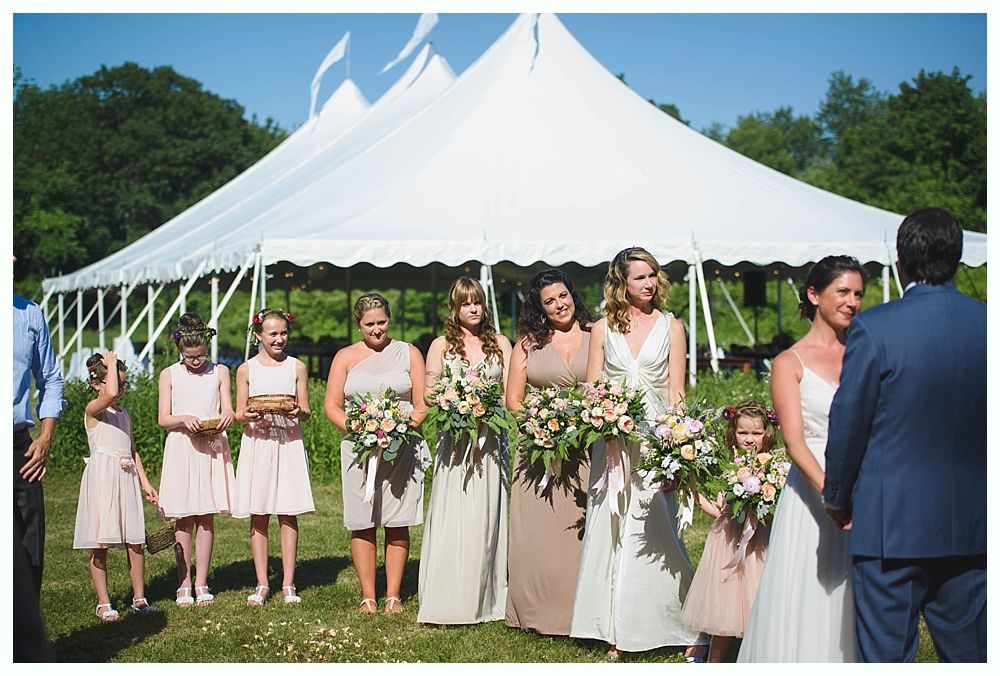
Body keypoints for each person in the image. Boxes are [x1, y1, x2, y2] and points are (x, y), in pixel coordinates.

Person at [824, 209, 986, 663]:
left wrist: (837, 496)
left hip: (889, 525)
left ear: (901, 259)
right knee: (973, 656)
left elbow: (849, 420)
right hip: (973, 524)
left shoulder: (876, 328)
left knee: (887, 658)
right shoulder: (987, 325)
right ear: (956, 258)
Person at [569, 246, 703, 658]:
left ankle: (684, 619)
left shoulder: (671, 326)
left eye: (651, 276)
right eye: (639, 277)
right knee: (611, 526)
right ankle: (612, 625)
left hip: (655, 441)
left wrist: (679, 443)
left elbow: (676, 391)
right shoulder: (602, 327)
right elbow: (592, 386)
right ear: (621, 283)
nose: (648, 284)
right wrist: (603, 420)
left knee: (653, 527)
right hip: (610, 442)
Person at [738, 255, 866, 662]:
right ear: (814, 294)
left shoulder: (864, 353)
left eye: (859, 294)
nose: (852, 302)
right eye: (842, 292)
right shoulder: (788, 362)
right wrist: (834, 495)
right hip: (814, 491)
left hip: (865, 482)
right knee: (809, 590)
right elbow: (794, 442)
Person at [324, 293, 430, 614]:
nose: (376, 329)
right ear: (359, 325)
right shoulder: (344, 357)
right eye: (369, 324)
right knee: (363, 519)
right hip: (358, 447)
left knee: (397, 520)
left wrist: (400, 428)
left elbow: (422, 402)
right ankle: (368, 595)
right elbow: (331, 405)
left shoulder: (409, 353)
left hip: (402, 445)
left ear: (390, 319)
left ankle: (394, 595)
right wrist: (357, 429)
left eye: (381, 322)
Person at [417, 277, 512, 625]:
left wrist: (486, 406)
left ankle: (487, 596)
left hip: (490, 442)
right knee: (454, 513)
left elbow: (508, 393)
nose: (473, 309)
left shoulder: (501, 343)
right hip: (454, 444)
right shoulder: (440, 345)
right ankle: (447, 593)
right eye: (465, 303)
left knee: (486, 513)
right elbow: (429, 393)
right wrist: (457, 403)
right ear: (454, 308)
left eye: (478, 303)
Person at [504, 269, 592, 636]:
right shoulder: (527, 343)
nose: (559, 305)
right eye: (549, 301)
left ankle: (580, 611)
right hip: (538, 450)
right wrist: (542, 423)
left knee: (578, 529)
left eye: (563, 296)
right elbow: (513, 400)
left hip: (586, 449)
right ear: (539, 309)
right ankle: (536, 612)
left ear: (573, 295)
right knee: (537, 532)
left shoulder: (597, 336)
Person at [680, 400, 779, 662]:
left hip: (760, 540)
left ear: (767, 434)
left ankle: (761, 657)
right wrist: (694, 492)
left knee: (761, 595)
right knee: (725, 600)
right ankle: (715, 659)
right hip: (729, 540)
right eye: (743, 432)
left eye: (756, 433)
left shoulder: (775, 467)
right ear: (733, 433)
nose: (749, 439)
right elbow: (721, 506)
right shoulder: (728, 465)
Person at [234, 308, 314, 606]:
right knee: (259, 512)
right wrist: (249, 415)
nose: (280, 339)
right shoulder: (246, 369)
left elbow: (304, 410)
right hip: (258, 442)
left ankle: (289, 582)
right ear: (259, 335)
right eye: (273, 334)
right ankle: (262, 582)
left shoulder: (297, 367)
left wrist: (297, 411)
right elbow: (240, 412)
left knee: (287, 511)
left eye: (283, 333)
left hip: (288, 442)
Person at [157, 312, 237, 607]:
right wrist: (183, 419)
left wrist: (227, 416)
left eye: (201, 355)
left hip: (210, 444)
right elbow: (163, 418)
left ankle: (202, 581)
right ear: (181, 351)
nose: (196, 361)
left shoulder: (220, 372)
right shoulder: (169, 374)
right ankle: (183, 582)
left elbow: (227, 408)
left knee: (205, 515)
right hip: (182, 446)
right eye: (190, 357)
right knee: (184, 516)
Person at [73, 352, 159, 621]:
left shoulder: (124, 414)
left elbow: (132, 450)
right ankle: (103, 601)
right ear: (97, 384)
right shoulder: (93, 411)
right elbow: (108, 395)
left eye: (123, 385)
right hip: (103, 478)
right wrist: (110, 365)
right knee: (101, 541)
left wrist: (145, 482)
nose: (120, 391)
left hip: (127, 478)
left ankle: (139, 597)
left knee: (136, 540)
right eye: (115, 384)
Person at [13, 287, 64, 657]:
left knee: (30, 550)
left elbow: (50, 378)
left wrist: (45, 436)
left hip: (21, 446)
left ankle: (24, 647)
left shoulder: (30, 313)